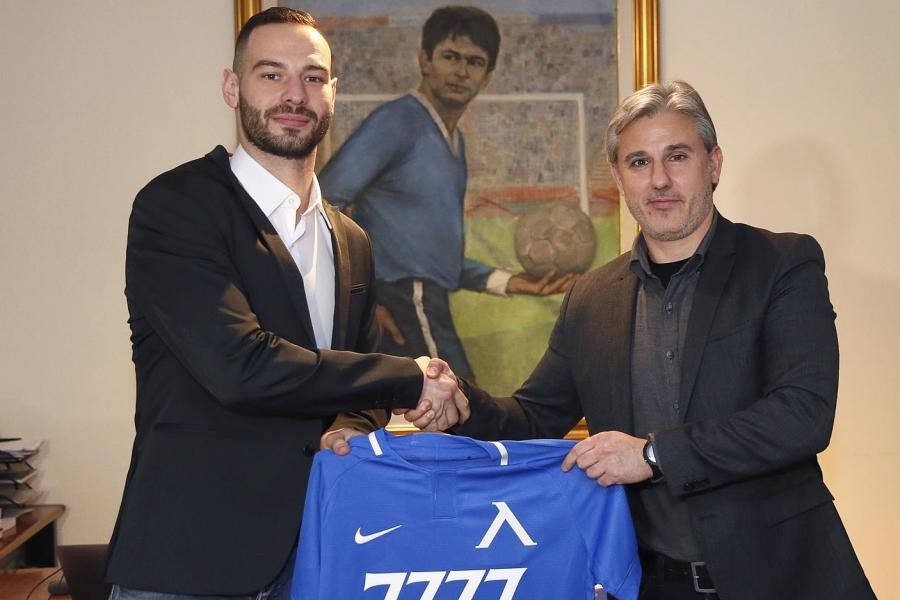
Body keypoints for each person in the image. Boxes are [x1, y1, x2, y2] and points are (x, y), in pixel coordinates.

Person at [425, 80, 876, 599]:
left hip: (785, 579)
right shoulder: (590, 297)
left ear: (713, 164)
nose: (659, 179)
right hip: (652, 585)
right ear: (619, 177)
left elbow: (802, 415)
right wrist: (459, 404)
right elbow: (531, 418)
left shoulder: (782, 264)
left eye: (677, 156)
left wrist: (654, 455)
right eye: (639, 162)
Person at [104, 7, 465, 600]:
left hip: (320, 557)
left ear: (332, 93)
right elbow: (240, 367)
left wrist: (346, 429)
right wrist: (411, 377)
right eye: (271, 74)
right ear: (232, 87)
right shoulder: (177, 207)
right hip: (189, 564)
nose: (294, 94)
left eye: (312, 77)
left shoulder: (352, 240)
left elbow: (359, 391)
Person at [317, 5, 571, 381]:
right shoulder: (395, 122)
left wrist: (508, 282)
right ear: (425, 60)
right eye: (450, 56)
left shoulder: (456, 142)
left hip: (425, 301)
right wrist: (361, 302)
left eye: (475, 62)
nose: (461, 71)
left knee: (452, 404)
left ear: (487, 76)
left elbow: (432, 256)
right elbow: (321, 202)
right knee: (455, 401)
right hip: (402, 300)